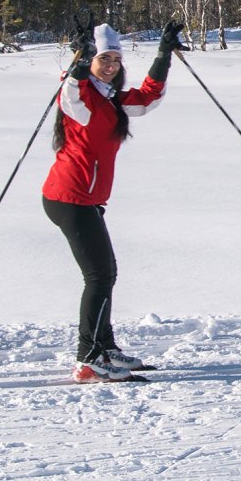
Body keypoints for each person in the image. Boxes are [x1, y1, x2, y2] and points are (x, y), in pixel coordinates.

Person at [41, 19, 186, 381]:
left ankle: (105, 348)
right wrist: (79, 63)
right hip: (69, 198)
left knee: (105, 275)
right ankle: (88, 357)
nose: (110, 65)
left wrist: (164, 53)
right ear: (90, 60)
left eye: (116, 60)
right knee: (99, 276)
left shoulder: (111, 99)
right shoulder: (82, 97)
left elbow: (148, 98)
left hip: (86, 200)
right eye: (103, 58)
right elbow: (71, 93)